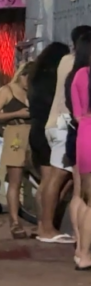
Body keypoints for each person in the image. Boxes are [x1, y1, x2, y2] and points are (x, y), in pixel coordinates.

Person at [40, 27, 91, 245]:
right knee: (60, 177)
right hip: (65, 126)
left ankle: (45, 225)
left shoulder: (64, 62)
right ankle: (47, 227)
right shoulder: (80, 70)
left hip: (58, 124)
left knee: (56, 178)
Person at [0, 63, 33, 239]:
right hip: (15, 134)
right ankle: (14, 221)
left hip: (33, 134)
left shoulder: (34, 91)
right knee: (15, 180)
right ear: (21, 75)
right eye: (27, 77)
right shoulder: (7, 91)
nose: (29, 82)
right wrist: (17, 114)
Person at [29, 42, 71, 221]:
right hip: (50, 129)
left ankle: (43, 223)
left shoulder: (35, 77)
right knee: (54, 181)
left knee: (46, 182)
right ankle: (47, 224)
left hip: (37, 129)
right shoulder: (52, 79)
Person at [69, 43, 91, 269]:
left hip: (85, 134)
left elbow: (76, 114)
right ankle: (85, 255)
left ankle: (82, 252)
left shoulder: (81, 75)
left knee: (87, 199)